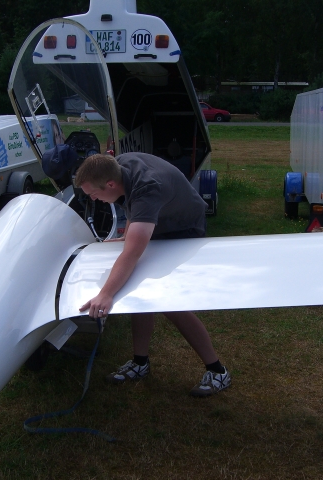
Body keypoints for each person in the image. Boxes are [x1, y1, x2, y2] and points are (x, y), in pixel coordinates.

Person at [74, 152, 230, 397]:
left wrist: (105, 294)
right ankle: (140, 363)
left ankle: (218, 371)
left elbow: (132, 253)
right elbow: (134, 207)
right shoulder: (115, 166)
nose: (92, 199)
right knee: (139, 290)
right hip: (160, 217)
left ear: (110, 184)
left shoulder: (147, 189)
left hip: (183, 228)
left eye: (93, 193)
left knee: (170, 302)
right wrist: (127, 236)